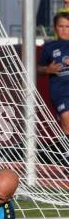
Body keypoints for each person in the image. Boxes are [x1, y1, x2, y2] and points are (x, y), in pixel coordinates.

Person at [38, 12, 69, 161]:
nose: (64, 29)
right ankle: (67, 156)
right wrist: (48, 69)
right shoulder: (50, 46)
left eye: (67, 26)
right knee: (66, 119)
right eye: (61, 26)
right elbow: (38, 68)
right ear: (55, 28)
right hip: (60, 91)